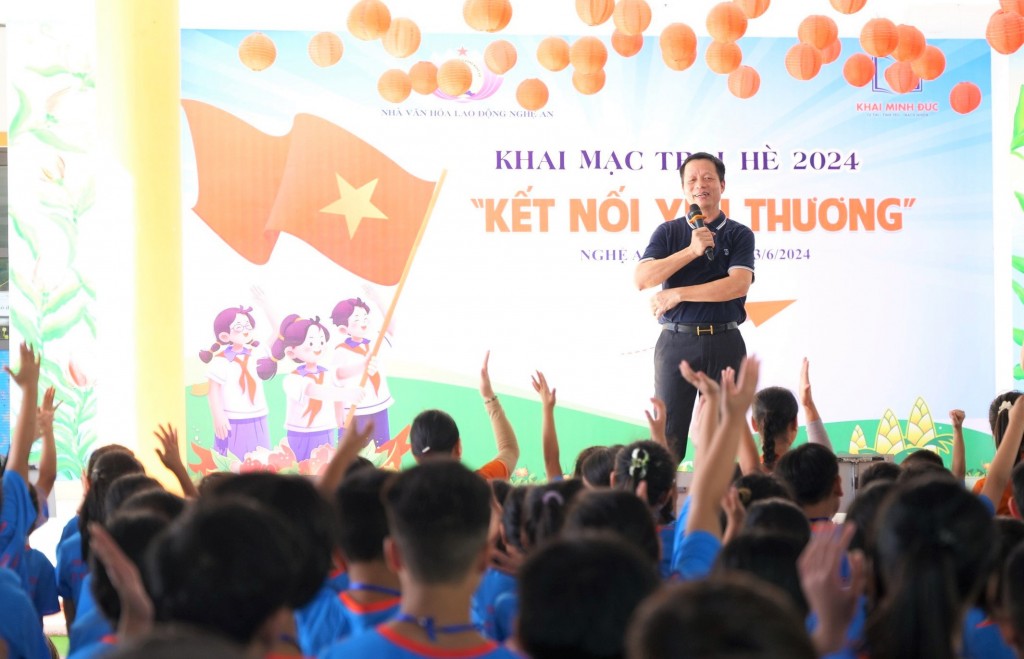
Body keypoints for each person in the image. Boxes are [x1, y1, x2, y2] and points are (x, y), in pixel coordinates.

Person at [634, 152, 755, 463]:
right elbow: (643, 279)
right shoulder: (668, 232)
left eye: (708, 178)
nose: (700, 185)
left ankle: (722, 495)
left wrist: (678, 294)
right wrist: (691, 250)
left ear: (722, 185)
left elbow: (737, 285)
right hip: (676, 343)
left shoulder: (739, 233)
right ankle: (662, 494)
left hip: (725, 341)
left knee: (722, 441)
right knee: (668, 440)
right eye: (692, 180)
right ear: (684, 189)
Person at [409, 352, 519, 480]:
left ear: (414, 454)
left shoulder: (395, 490)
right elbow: (510, 450)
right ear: (458, 448)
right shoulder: (481, 481)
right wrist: (488, 397)